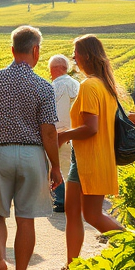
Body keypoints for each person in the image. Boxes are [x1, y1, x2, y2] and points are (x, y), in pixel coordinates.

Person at [0, 25, 63, 270]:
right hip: (32, 155)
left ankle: (0, 259)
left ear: (12, 50)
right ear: (36, 50)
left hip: (0, 152)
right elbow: (48, 130)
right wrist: (55, 166)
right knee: (26, 218)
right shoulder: (43, 86)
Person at [56, 34, 125, 268]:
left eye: (75, 52)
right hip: (93, 157)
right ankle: (70, 267)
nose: (73, 57)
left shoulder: (89, 86)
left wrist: (64, 135)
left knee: (92, 215)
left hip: (89, 158)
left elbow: (91, 128)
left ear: (85, 55)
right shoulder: (105, 85)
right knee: (72, 212)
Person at [49, 54, 80, 212]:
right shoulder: (77, 84)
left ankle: (61, 200)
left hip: (58, 133)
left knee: (57, 166)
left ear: (53, 69)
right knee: (73, 166)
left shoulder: (52, 87)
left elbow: (51, 115)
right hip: (76, 132)